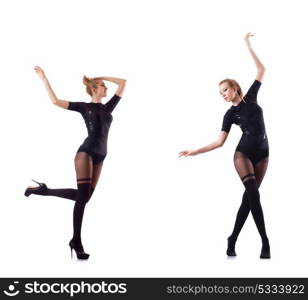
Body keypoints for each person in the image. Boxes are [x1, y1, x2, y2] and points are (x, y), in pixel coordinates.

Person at [179, 33, 270, 259]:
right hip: (243, 154)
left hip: (264, 153)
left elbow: (261, 70)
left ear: (235, 88)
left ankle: (232, 239)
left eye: (225, 90)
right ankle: (265, 242)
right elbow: (220, 142)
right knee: (254, 195)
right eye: (220, 93)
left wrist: (248, 45)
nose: (223, 95)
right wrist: (195, 151)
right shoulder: (230, 114)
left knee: (249, 198)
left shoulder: (251, 98)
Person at [24, 66, 126, 259]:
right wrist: (44, 78)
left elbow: (123, 83)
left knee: (84, 197)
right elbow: (55, 101)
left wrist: (101, 76)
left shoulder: (108, 107)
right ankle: (76, 241)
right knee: (82, 200)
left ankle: (42, 191)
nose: (107, 88)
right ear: (94, 89)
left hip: (101, 156)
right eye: (103, 86)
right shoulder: (83, 106)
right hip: (85, 153)